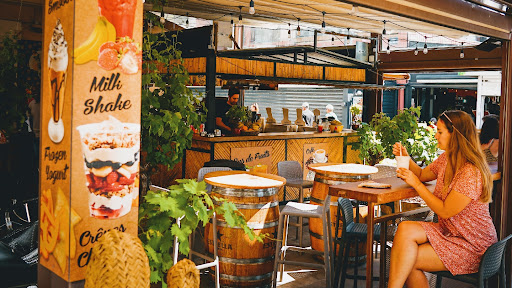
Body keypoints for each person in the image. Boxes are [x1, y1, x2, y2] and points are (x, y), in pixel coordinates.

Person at [388, 110, 497, 288]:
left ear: (456, 135)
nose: (435, 135)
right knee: (405, 229)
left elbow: (445, 210)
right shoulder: (446, 158)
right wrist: (405, 158)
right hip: (452, 233)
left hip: (474, 246)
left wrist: (416, 184)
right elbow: (422, 174)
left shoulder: (470, 171)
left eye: (440, 132)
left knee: (409, 261)